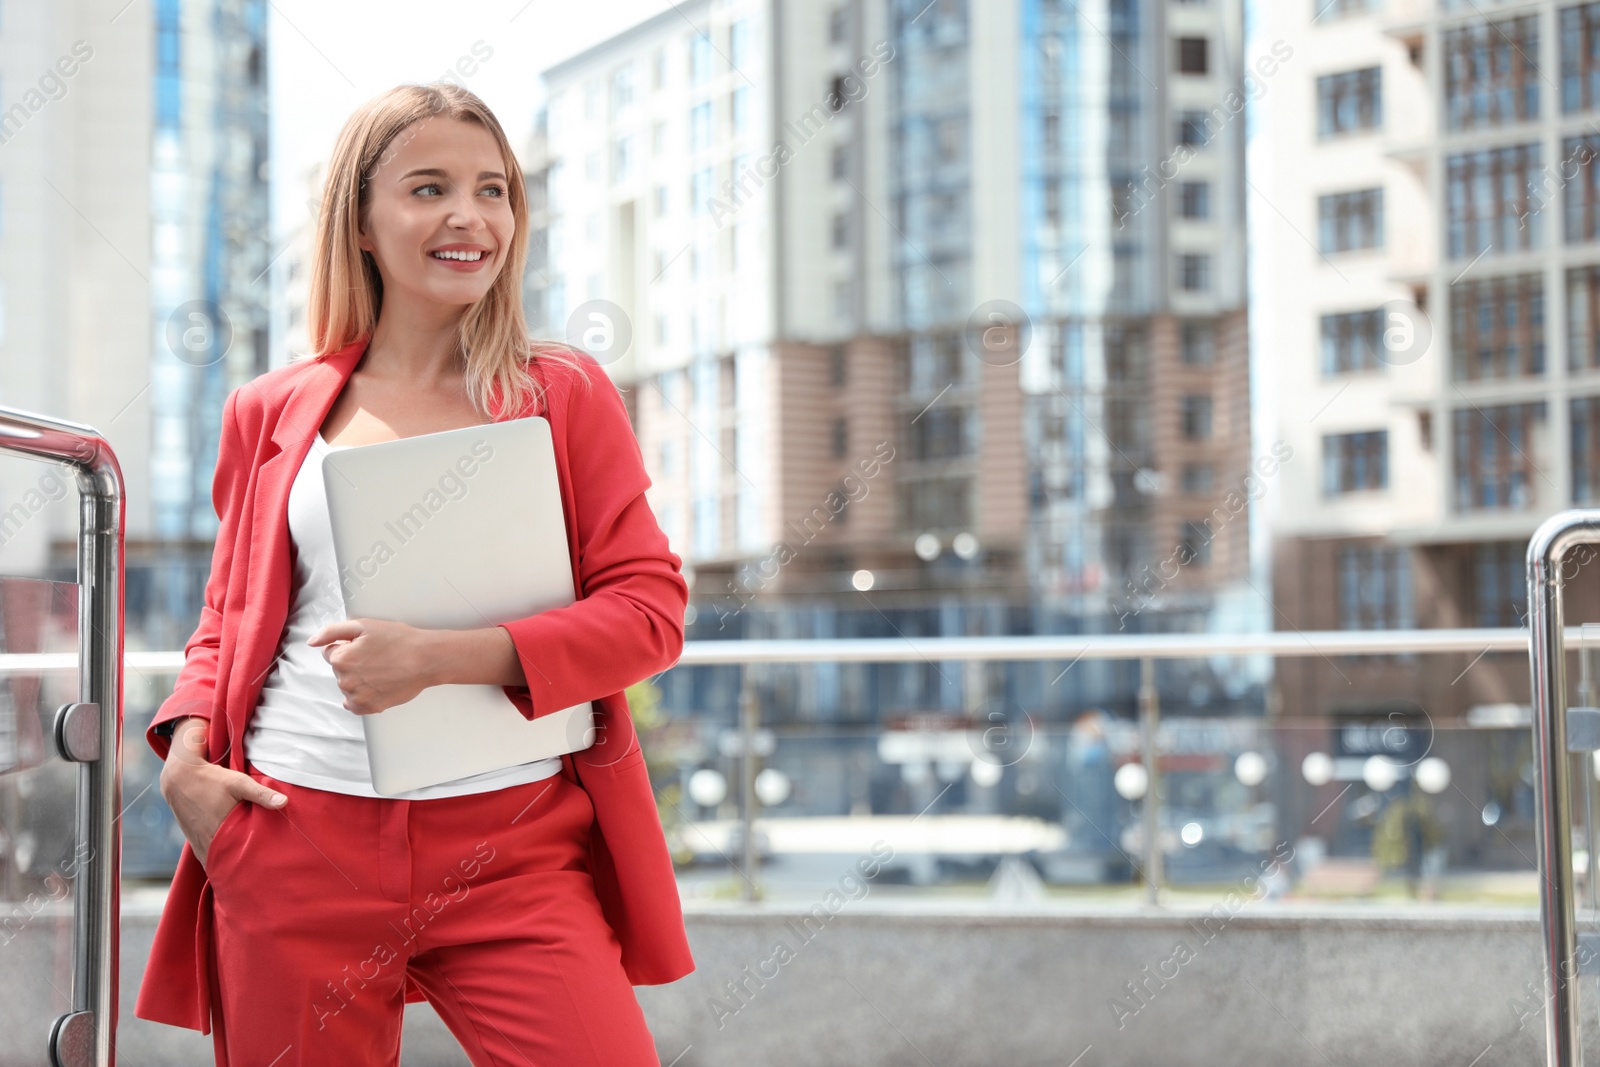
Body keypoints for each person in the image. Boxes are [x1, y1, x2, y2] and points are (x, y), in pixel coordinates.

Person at [132, 83, 693, 1065]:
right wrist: (184, 751)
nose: (468, 218)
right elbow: (226, 617)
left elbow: (651, 613)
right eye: (428, 188)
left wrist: (442, 657)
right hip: (292, 837)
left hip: (514, 851)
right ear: (359, 220)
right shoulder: (271, 408)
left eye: (492, 190)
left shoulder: (559, 394)